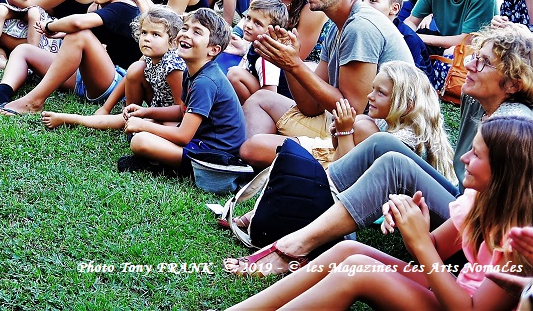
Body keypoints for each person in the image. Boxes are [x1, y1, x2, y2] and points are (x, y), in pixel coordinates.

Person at [224, 25, 533, 277]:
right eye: (475, 56)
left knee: (392, 165)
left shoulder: (514, 127)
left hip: (478, 229)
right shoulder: (480, 102)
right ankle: (294, 204)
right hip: (464, 201)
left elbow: (496, 216)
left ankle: (295, 246)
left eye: (484, 62)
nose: (469, 65)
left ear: (513, 84)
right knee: (382, 144)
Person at [226, 115, 533, 311]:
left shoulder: (520, 241)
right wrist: (413, 225)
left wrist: (421, 243)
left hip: (460, 304)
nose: (464, 158)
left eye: (476, 154)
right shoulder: (479, 200)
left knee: (359, 270)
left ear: (503, 173)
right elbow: (435, 249)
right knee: (349, 250)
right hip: (448, 290)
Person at [242, 0, 413, 167]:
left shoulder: (360, 27)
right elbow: (311, 107)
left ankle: (274, 164)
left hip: (368, 139)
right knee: (260, 100)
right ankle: (257, 166)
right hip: (340, 124)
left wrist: (294, 64)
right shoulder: (335, 25)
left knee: (254, 148)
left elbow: (351, 111)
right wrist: (289, 65)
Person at [0, 0, 142, 116]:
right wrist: (61, 33)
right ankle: (1, 92)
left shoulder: (124, 8)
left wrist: (50, 26)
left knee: (79, 34)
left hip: (116, 83)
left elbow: (78, 24)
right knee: (23, 50)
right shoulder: (95, 7)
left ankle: (34, 102)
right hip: (85, 78)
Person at [120, 8, 245, 175]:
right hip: (200, 140)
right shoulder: (191, 72)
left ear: (213, 50)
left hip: (216, 157)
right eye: (185, 28)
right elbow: (181, 111)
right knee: (156, 124)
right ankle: (158, 159)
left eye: (197, 32)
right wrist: (145, 112)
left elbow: (183, 136)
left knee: (140, 141)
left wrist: (143, 125)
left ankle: (160, 164)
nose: (186, 34)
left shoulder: (205, 82)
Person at [41, 6, 187, 131]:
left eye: (155, 34)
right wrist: (106, 108)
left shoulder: (173, 67)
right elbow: (128, 77)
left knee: (160, 129)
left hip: (174, 116)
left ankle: (73, 119)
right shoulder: (150, 56)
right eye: (144, 32)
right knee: (136, 68)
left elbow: (181, 110)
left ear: (173, 42)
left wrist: (146, 113)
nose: (147, 38)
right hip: (156, 107)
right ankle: (75, 118)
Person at [328, 61, 455, 176]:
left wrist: (345, 133)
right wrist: (339, 132)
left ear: (407, 104)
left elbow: (344, 173)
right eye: (373, 88)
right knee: (360, 121)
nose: (370, 96)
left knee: (362, 127)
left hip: (398, 191)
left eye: (381, 92)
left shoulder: (405, 141)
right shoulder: (388, 122)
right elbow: (340, 150)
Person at [360, 0, 435, 84]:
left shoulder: (407, 39)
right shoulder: (365, 28)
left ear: (394, 9)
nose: (363, 5)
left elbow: (410, 84)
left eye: (373, 0)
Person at [227, 0, 288, 103]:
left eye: (258, 23)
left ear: (272, 31)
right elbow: (244, 66)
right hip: (264, 96)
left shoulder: (267, 58)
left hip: (277, 105)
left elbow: (270, 97)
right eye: (248, 18)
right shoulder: (255, 44)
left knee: (235, 74)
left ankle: (245, 108)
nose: (248, 25)